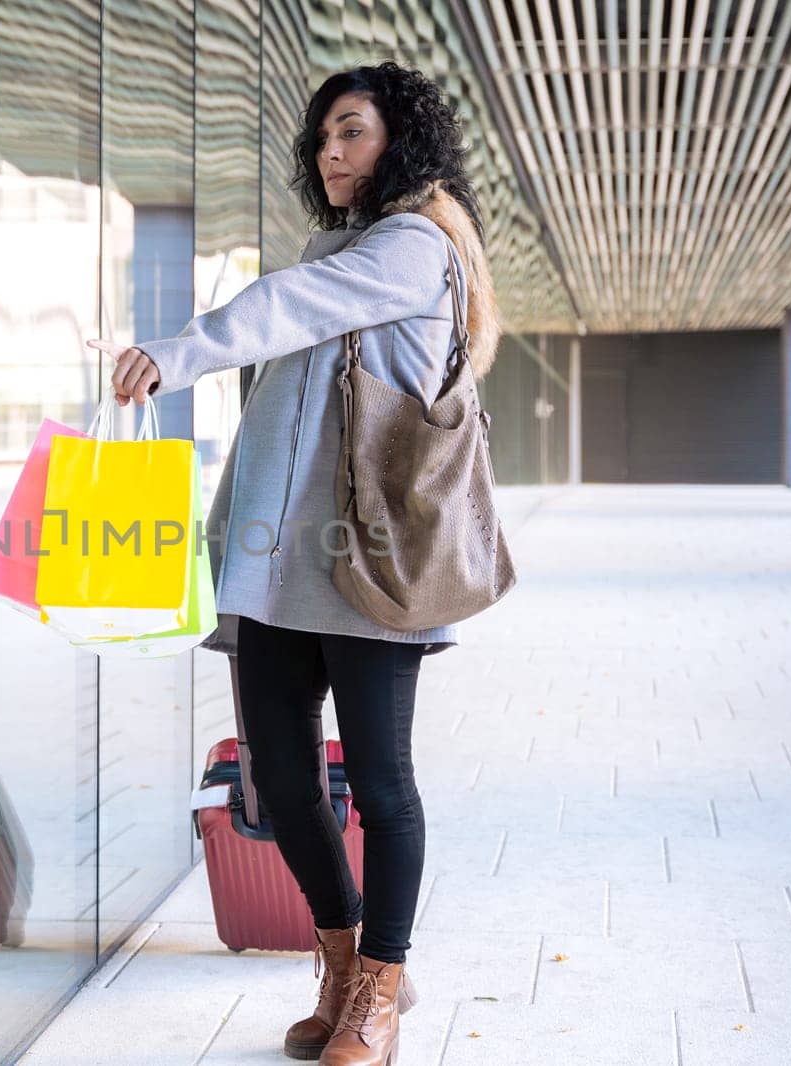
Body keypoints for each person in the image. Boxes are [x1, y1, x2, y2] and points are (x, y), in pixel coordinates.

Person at [93, 62, 500, 1065]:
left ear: (398, 142)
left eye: (352, 132)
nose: (330, 151)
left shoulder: (412, 246)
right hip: (281, 569)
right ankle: (338, 957)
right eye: (323, 136)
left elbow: (285, 304)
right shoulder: (348, 246)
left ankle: (381, 990)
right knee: (279, 774)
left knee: (380, 780)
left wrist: (176, 353)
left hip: (367, 565)